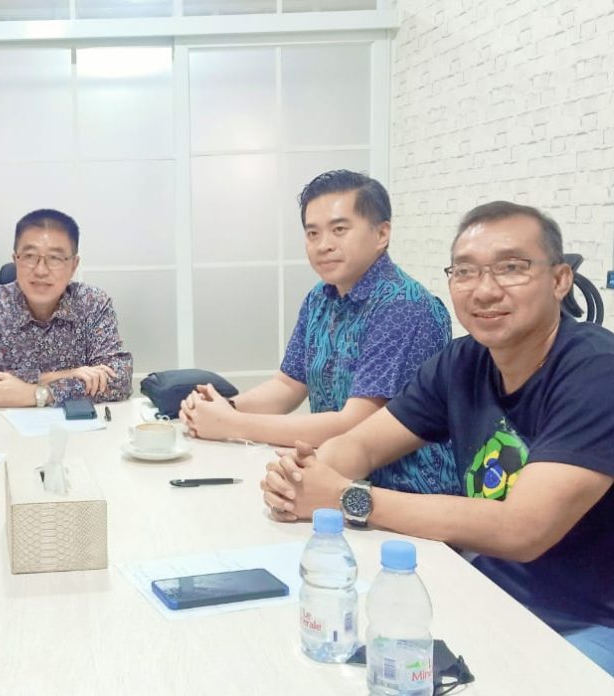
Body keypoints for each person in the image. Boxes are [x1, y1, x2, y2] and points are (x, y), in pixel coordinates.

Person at [261, 202, 614, 674]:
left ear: (559, 279)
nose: (484, 289)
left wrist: (346, 497)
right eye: (465, 271)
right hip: (486, 588)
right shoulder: (462, 361)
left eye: (511, 268)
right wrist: (303, 477)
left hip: (588, 623)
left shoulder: (597, 372)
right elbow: (363, 443)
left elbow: (522, 529)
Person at [182, 170, 457, 494]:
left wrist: (232, 424)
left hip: (405, 493)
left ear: (381, 234)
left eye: (339, 230)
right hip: (335, 478)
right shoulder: (321, 297)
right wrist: (222, 407)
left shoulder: (404, 305)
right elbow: (288, 385)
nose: (323, 245)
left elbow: (355, 424)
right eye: (313, 233)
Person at [0, 208, 132, 407]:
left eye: (55, 258)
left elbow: (119, 378)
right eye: (29, 256)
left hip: (77, 424)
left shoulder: (92, 303)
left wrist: (37, 393)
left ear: (73, 265)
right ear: (16, 260)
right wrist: (61, 375)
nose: (41, 270)